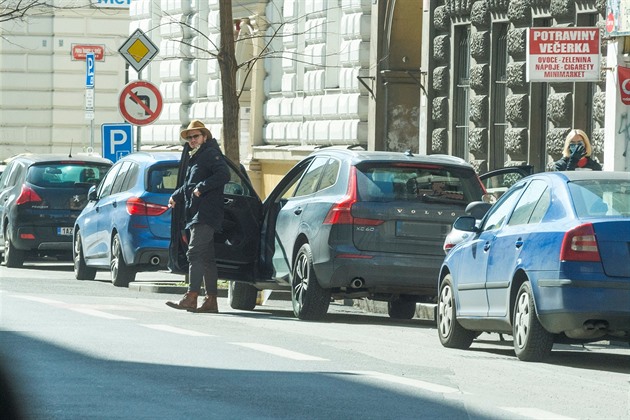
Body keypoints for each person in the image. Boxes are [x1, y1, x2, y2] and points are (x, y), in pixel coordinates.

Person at [166, 120, 230, 313]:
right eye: (190, 137)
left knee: (194, 253)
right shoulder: (197, 156)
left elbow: (224, 175)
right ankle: (211, 300)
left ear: (204, 136)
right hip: (198, 212)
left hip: (206, 213)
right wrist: (176, 195)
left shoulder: (210, 153)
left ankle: (191, 296)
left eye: (196, 136)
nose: (192, 140)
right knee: (207, 257)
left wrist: (201, 188)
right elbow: (190, 184)